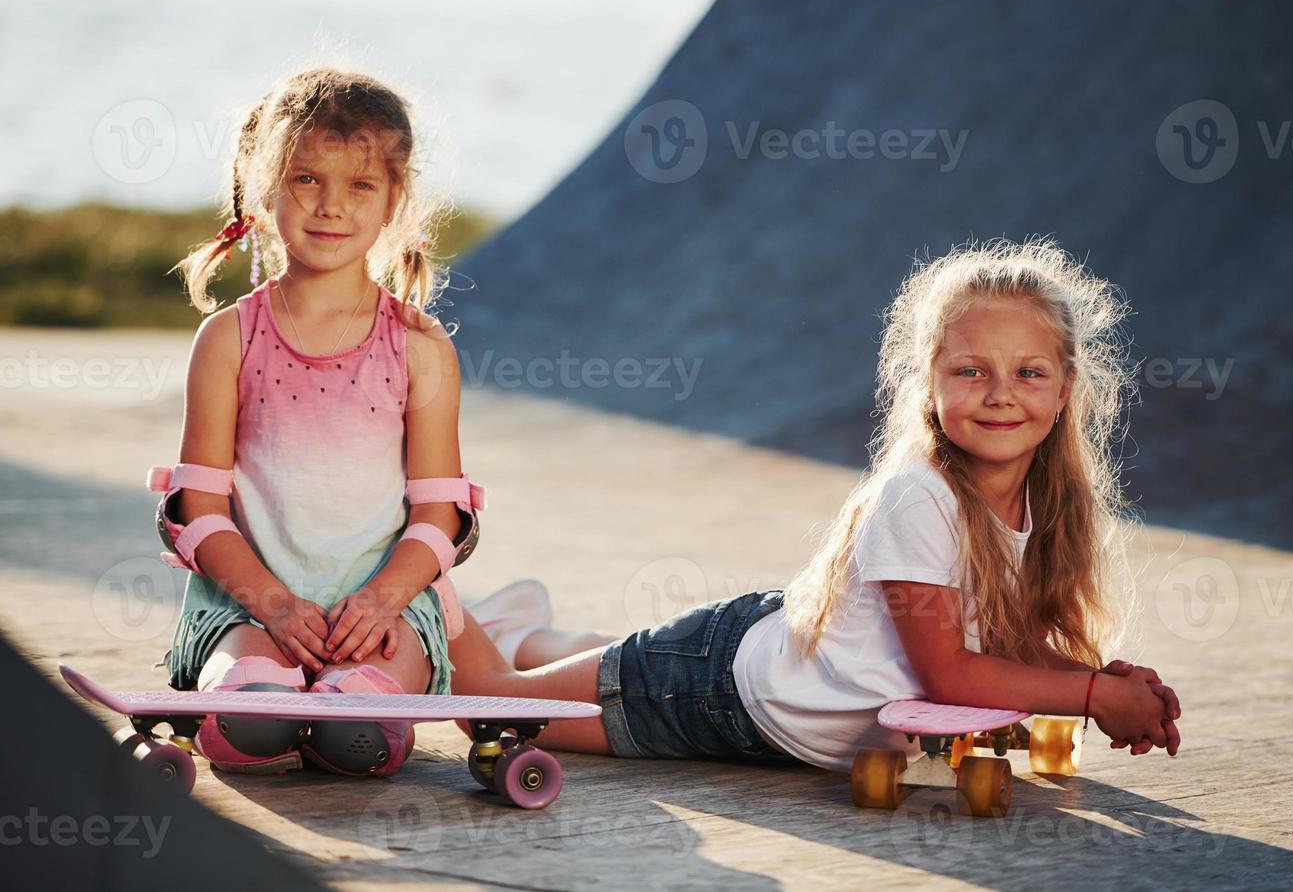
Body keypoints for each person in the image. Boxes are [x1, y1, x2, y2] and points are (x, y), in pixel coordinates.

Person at [457, 238, 1182, 767]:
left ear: (1064, 391)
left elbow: (1002, 641)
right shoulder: (919, 496)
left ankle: (521, 629)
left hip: (780, 652)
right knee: (495, 708)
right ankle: (428, 595)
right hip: (716, 693)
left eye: (1028, 372)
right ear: (928, 383)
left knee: (595, 663)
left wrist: (1107, 683)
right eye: (971, 370)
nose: (999, 393)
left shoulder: (1046, 501)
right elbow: (949, 675)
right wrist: (1091, 695)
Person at [149, 66, 483, 777]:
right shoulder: (228, 339)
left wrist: (381, 603)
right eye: (306, 179)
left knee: (353, 736)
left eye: (360, 185)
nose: (331, 205)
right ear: (267, 187)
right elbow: (197, 509)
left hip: (384, 609)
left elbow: (441, 515)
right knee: (251, 729)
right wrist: (274, 606)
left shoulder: (421, 348)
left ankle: (352, 696)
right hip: (250, 607)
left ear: (396, 200)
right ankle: (265, 688)